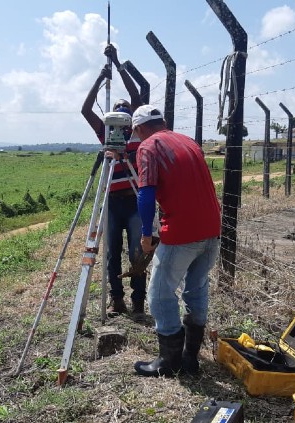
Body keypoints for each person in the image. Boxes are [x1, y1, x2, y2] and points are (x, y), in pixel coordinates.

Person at [131, 104, 221, 377]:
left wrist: (146, 233)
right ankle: (190, 358)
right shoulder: (188, 141)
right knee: (196, 289)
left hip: (183, 232)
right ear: (163, 121)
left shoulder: (148, 146)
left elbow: (145, 194)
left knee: (159, 294)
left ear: (138, 128)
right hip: (212, 228)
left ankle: (169, 362)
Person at [80, 44, 146, 321]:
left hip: (134, 202)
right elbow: (85, 109)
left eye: (125, 111)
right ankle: (116, 300)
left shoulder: (138, 132)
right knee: (111, 255)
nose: (120, 113)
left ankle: (139, 301)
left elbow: (136, 94)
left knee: (137, 253)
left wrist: (117, 63)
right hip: (111, 202)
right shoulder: (106, 134)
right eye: (117, 111)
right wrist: (99, 77)